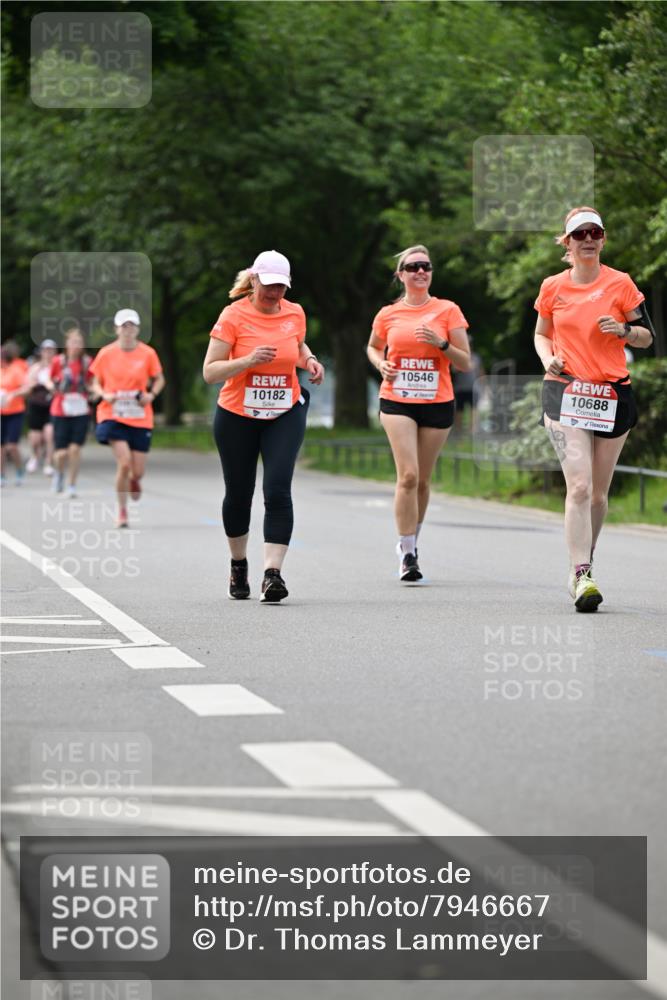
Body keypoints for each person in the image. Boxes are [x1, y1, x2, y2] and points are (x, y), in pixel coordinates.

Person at [534, 206, 653, 612]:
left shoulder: (620, 284)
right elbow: (541, 335)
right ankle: (581, 571)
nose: (588, 239)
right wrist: (547, 358)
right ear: (566, 242)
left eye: (595, 233)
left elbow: (646, 338)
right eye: (579, 233)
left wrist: (622, 330)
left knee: (599, 495)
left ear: (603, 239)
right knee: (580, 486)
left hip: (612, 394)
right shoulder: (553, 287)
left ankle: (585, 564)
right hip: (564, 392)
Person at [203, 250, 324, 603]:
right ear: (254, 280)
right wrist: (247, 361)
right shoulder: (233, 316)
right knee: (239, 495)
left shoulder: (295, 312)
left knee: (277, 489)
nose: (275, 294)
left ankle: (273, 574)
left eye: (281, 288)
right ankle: (238, 564)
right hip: (237, 415)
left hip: (283, 412)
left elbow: (297, 345)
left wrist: (310, 360)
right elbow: (210, 371)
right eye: (269, 286)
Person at [366, 244, 471, 581]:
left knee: (423, 481)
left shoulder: (448, 311)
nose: (420, 272)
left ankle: (412, 541)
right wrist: (380, 362)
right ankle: (407, 553)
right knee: (408, 475)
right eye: (412, 267)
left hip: (437, 400)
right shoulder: (388, 314)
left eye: (425, 266)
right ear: (401, 275)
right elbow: (372, 346)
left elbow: (465, 361)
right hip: (397, 399)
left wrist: (441, 343)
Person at [89, 309, 165, 527]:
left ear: (138, 329)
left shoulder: (148, 353)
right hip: (112, 413)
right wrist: (105, 394)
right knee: (124, 463)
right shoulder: (106, 353)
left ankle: (134, 479)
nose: (128, 330)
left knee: (137, 471)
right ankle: (122, 511)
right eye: (124, 326)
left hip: (140, 415)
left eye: (132, 325)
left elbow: (159, 379)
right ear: (116, 329)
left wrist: (151, 394)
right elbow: (95, 382)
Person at [49, 327, 94, 497]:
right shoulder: (58, 362)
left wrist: (94, 391)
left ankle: (72, 485)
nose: (76, 345)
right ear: (66, 344)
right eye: (73, 341)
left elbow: (92, 382)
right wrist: (51, 386)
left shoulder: (87, 362)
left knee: (75, 449)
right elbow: (50, 379)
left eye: (79, 342)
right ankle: (59, 474)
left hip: (81, 410)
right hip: (61, 410)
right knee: (61, 453)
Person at [25, 339, 57, 475]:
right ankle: (35, 456)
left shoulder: (57, 368)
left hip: (52, 405)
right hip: (36, 405)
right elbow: (28, 385)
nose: (48, 353)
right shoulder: (35, 368)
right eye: (46, 350)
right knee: (35, 438)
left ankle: (48, 462)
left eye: (51, 351)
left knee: (49, 434)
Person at [0, 341, 29, 486]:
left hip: (15, 411)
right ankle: (1, 475)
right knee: (1, 447)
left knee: (12, 446)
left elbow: (26, 388)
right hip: (1, 412)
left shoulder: (15, 370)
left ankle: (19, 470)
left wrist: (13, 394)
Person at [452, 334, 485, 435]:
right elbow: (454, 370)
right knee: (459, 411)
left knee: (474, 410)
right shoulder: (457, 357)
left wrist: (483, 386)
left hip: (473, 388)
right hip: (460, 388)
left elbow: (480, 372)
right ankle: (459, 432)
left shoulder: (476, 357)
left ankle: (472, 432)